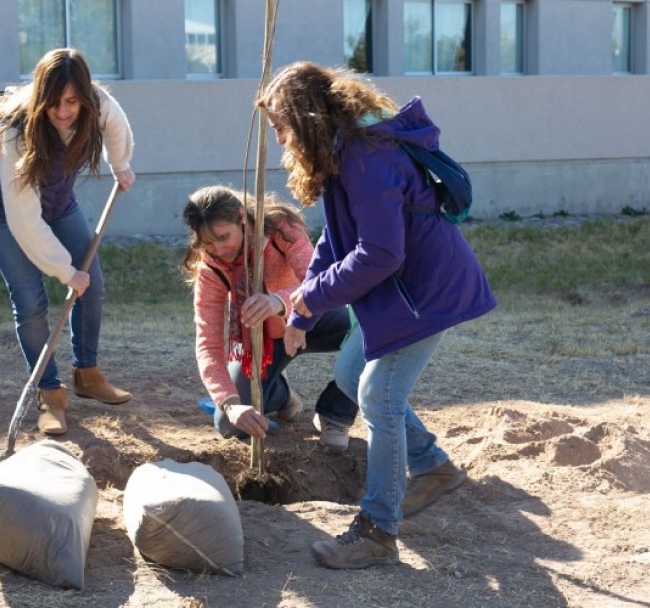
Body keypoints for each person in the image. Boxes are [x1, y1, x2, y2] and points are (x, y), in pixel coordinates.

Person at [257, 61, 497, 569]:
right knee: (349, 373)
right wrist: (303, 305)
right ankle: (432, 466)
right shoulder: (341, 154)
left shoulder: (368, 157)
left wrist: (314, 297)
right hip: (404, 292)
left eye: (281, 126)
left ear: (306, 118)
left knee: (377, 396)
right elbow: (334, 241)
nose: (279, 139)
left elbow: (381, 253)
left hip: (426, 292)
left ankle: (377, 530)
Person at [0, 48, 135, 436]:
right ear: (40, 98)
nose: (63, 112)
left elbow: (115, 122)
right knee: (30, 303)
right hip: (3, 211)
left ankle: (88, 374)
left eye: (72, 102)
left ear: (84, 95)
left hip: (58, 200)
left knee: (91, 282)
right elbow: (24, 219)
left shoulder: (96, 102)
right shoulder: (14, 130)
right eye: (54, 104)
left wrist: (121, 164)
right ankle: (49, 394)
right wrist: (64, 270)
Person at [181, 185, 359, 446]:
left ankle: (335, 414)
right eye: (208, 242)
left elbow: (314, 282)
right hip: (264, 343)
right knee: (228, 425)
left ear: (242, 217)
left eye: (223, 237)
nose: (218, 249)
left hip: (314, 319)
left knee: (371, 329)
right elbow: (208, 344)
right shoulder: (212, 268)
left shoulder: (282, 230)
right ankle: (279, 393)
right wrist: (230, 405)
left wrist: (278, 301)